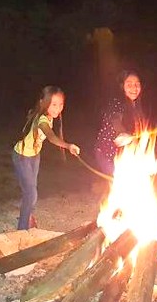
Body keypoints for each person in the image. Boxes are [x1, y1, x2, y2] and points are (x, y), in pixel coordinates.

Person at [12, 86, 80, 230]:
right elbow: (51, 137)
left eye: (61, 104)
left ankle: (28, 216)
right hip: (22, 156)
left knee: (31, 192)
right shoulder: (42, 119)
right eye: (54, 104)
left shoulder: (49, 117)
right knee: (30, 194)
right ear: (44, 103)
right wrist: (68, 146)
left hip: (34, 156)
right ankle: (22, 229)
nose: (58, 108)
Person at [93, 70, 146, 176]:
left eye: (137, 84)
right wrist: (122, 133)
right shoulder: (117, 102)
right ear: (122, 86)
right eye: (129, 84)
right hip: (107, 153)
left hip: (125, 152)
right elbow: (115, 120)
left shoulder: (136, 105)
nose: (134, 88)